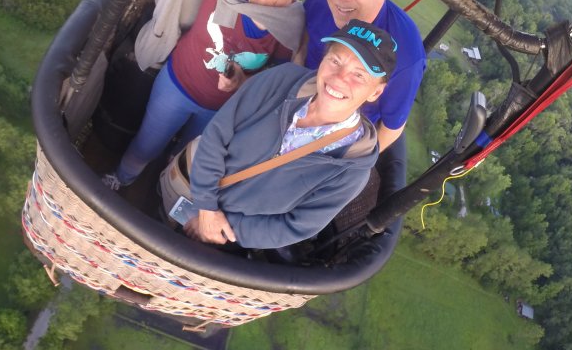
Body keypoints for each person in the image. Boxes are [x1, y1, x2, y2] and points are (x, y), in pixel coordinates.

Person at [103, 0, 324, 191]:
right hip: (177, 84)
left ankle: (160, 194)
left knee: (186, 161)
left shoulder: (290, 20)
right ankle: (122, 178)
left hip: (220, 110)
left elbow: (275, 74)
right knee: (145, 145)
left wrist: (243, 80)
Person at [166, 20, 398, 249]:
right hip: (185, 184)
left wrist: (217, 227)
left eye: (359, 75)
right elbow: (216, 134)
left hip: (221, 236)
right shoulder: (281, 80)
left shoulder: (351, 170)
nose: (338, 78)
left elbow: (295, 226)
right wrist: (207, 208)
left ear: (375, 91)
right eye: (335, 60)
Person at [301, 0, 426, 196]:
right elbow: (302, 45)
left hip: (342, 136)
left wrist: (347, 168)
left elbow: (392, 128)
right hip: (300, 104)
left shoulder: (405, 52)